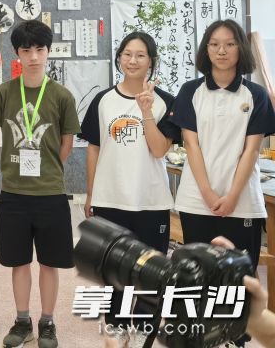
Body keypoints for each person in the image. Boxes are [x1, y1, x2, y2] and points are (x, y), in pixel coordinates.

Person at [170, 19, 275, 348]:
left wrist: (231, 197)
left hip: (242, 203)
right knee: (198, 277)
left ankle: (235, 339)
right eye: (214, 44)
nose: (221, 50)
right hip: (196, 201)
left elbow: (251, 150)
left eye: (229, 44)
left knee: (237, 278)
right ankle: (201, 338)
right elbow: (191, 144)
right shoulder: (190, 91)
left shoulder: (255, 95)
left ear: (240, 49)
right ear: (206, 49)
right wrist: (208, 193)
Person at [79, 31, 180, 347]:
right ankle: (117, 327)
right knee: (113, 271)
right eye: (127, 54)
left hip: (151, 201)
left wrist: (146, 110)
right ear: (119, 58)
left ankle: (144, 331)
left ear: (151, 61)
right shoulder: (103, 100)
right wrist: (91, 193)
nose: (132, 60)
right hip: (110, 199)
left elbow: (160, 149)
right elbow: (94, 148)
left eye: (140, 55)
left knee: (151, 272)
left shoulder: (166, 102)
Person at [0, 19, 80, 348]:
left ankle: (48, 322)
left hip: (50, 193)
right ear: (17, 53)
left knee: (50, 262)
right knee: (18, 261)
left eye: (40, 49)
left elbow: (67, 143)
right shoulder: (4, 93)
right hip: (14, 193)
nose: (34, 57)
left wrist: (48, 169)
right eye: (27, 50)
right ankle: (23, 320)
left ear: (49, 51)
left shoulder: (62, 95)